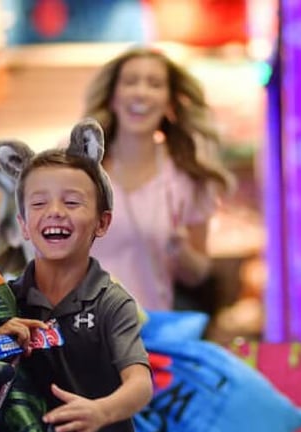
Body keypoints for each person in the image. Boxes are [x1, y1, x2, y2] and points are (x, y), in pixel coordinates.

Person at [0, 119, 155, 432]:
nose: (55, 212)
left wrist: (100, 411)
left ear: (102, 222)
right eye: (39, 203)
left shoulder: (112, 302)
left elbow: (140, 384)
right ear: (24, 225)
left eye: (73, 202)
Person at [82, 47, 232, 311]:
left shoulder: (188, 177)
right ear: (113, 97)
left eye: (154, 84)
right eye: (130, 82)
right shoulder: (77, 165)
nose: (141, 92)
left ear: (169, 102)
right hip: (75, 332)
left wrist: (181, 249)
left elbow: (198, 273)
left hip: (147, 336)